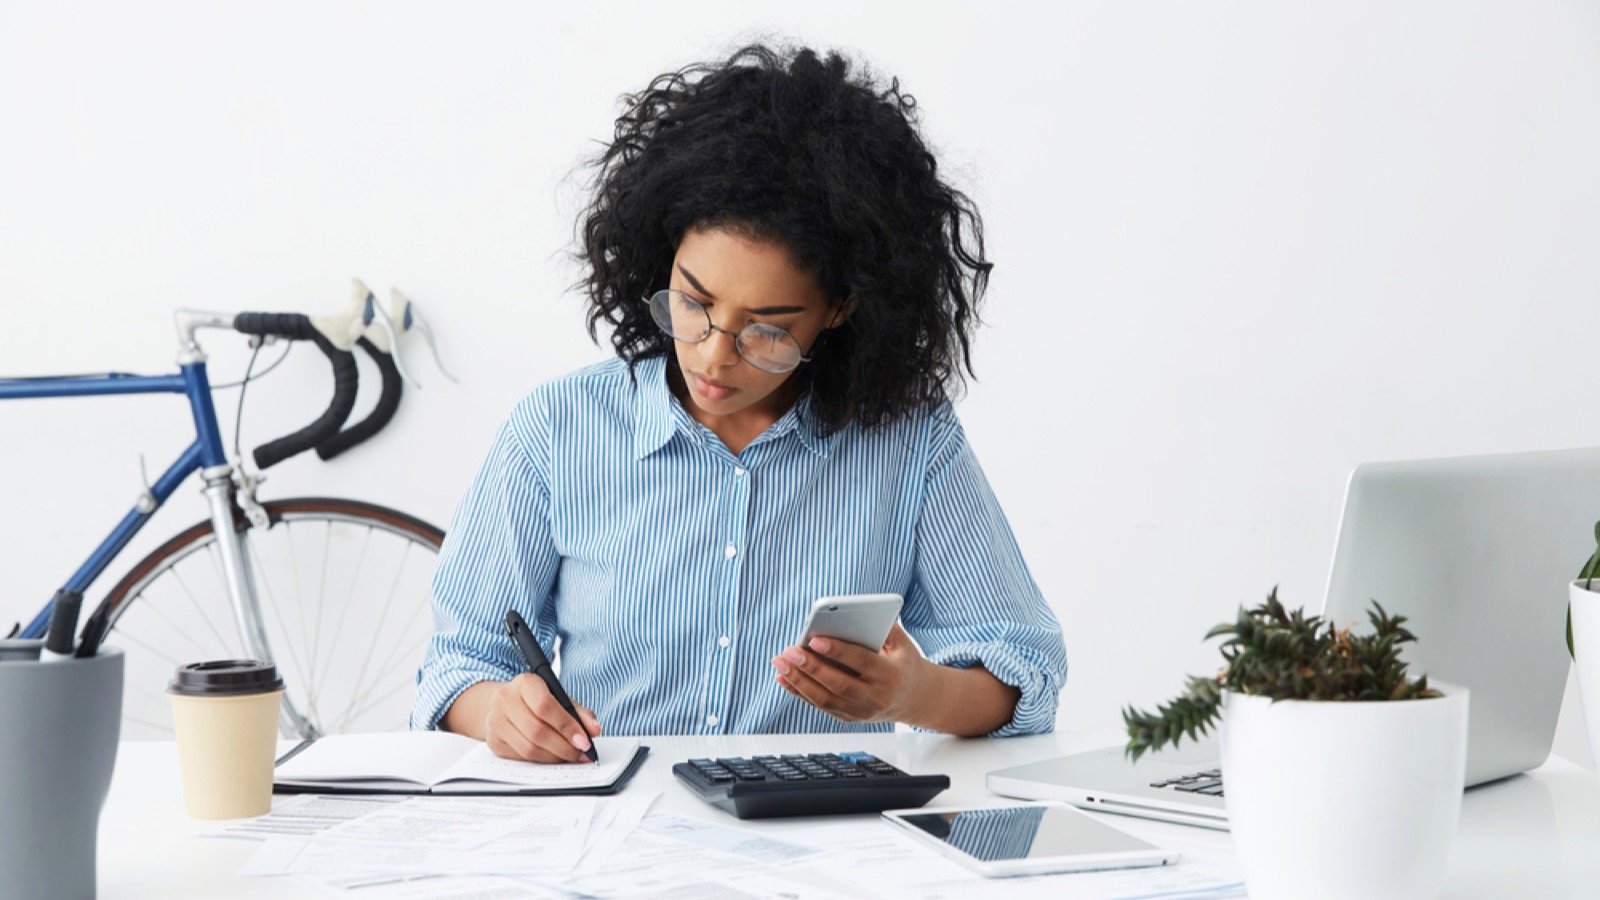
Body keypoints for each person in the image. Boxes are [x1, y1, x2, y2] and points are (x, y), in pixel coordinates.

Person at [411, 43, 1068, 763]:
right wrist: (500, 710)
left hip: (822, 848)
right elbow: (457, 665)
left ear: (842, 309)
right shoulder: (559, 430)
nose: (714, 355)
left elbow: (1023, 669)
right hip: (615, 841)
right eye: (692, 302)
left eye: (767, 331)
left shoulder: (910, 442)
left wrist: (912, 695)